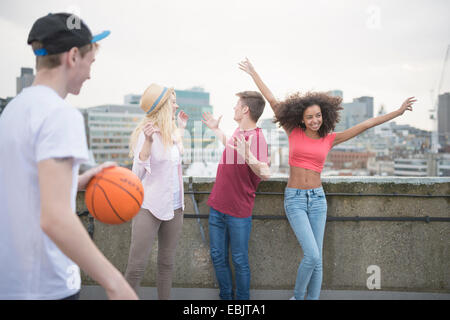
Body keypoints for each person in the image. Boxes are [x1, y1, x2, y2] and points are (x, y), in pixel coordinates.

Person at [239, 57, 416, 300]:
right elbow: (271, 99)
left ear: (324, 116)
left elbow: (367, 124)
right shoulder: (293, 131)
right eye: (310, 117)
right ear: (302, 118)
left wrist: (397, 111)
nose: (315, 120)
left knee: (317, 258)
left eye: (318, 116)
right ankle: (298, 297)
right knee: (311, 255)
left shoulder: (330, 139)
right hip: (296, 200)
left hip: (318, 199)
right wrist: (253, 72)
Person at [0, 13, 138, 300]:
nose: (90, 73)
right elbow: (55, 219)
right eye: (91, 62)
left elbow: (20, 184)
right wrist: (116, 284)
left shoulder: (13, 110)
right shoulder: (60, 115)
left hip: (11, 281)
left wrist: (75, 180)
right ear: (73, 56)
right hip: (47, 285)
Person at [202, 91, 271, 300]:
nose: (233, 108)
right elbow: (232, 148)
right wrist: (216, 130)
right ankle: (226, 298)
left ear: (245, 109)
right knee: (217, 257)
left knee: (239, 260)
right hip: (217, 207)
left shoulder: (257, 138)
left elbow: (266, 173)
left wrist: (248, 155)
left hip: (238, 212)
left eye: (236, 105)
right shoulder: (239, 132)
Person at [125, 83, 189, 300]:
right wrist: (148, 143)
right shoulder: (147, 134)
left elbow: (180, 155)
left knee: (166, 264)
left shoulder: (170, 133)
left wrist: (180, 128)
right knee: (136, 266)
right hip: (149, 207)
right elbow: (136, 177)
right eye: (172, 101)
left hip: (175, 206)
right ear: (162, 106)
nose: (176, 104)